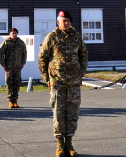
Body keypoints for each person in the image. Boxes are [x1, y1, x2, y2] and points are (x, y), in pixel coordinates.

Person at [39, 10, 88, 157]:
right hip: (57, 82)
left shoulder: (76, 37)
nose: (66, 23)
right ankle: (60, 144)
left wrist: (81, 73)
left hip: (73, 83)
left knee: (72, 113)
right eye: (63, 20)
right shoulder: (52, 37)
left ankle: (69, 144)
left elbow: (83, 54)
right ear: (57, 22)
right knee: (58, 113)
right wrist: (46, 78)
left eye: (68, 21)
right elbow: (42, 57)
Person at [0, 27, 28, 108]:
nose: (14, 35)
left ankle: (15, 100)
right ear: (9, 34)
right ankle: (10, 101)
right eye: (12, 33)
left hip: (18, 67)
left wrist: (23, 63)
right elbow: (1, 53)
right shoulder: (6, 42)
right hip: (9, 67)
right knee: (9, 83)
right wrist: (3, 64)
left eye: (15, 33)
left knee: (17, 84)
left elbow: (24, 53)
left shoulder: (20, 43)